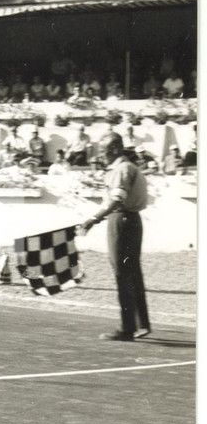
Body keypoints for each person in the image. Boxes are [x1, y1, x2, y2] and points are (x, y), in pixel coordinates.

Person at [79, 132, 150, 340]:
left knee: (122, 274)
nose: (101, 154)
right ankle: (141, 323)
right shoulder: (128, 168)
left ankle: (127, 328)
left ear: (115, 149)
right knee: (133, 273)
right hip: (132, 220)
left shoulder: (121, 169)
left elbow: (116, 200)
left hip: (121, 222)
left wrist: (94, 218)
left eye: (104, 150)